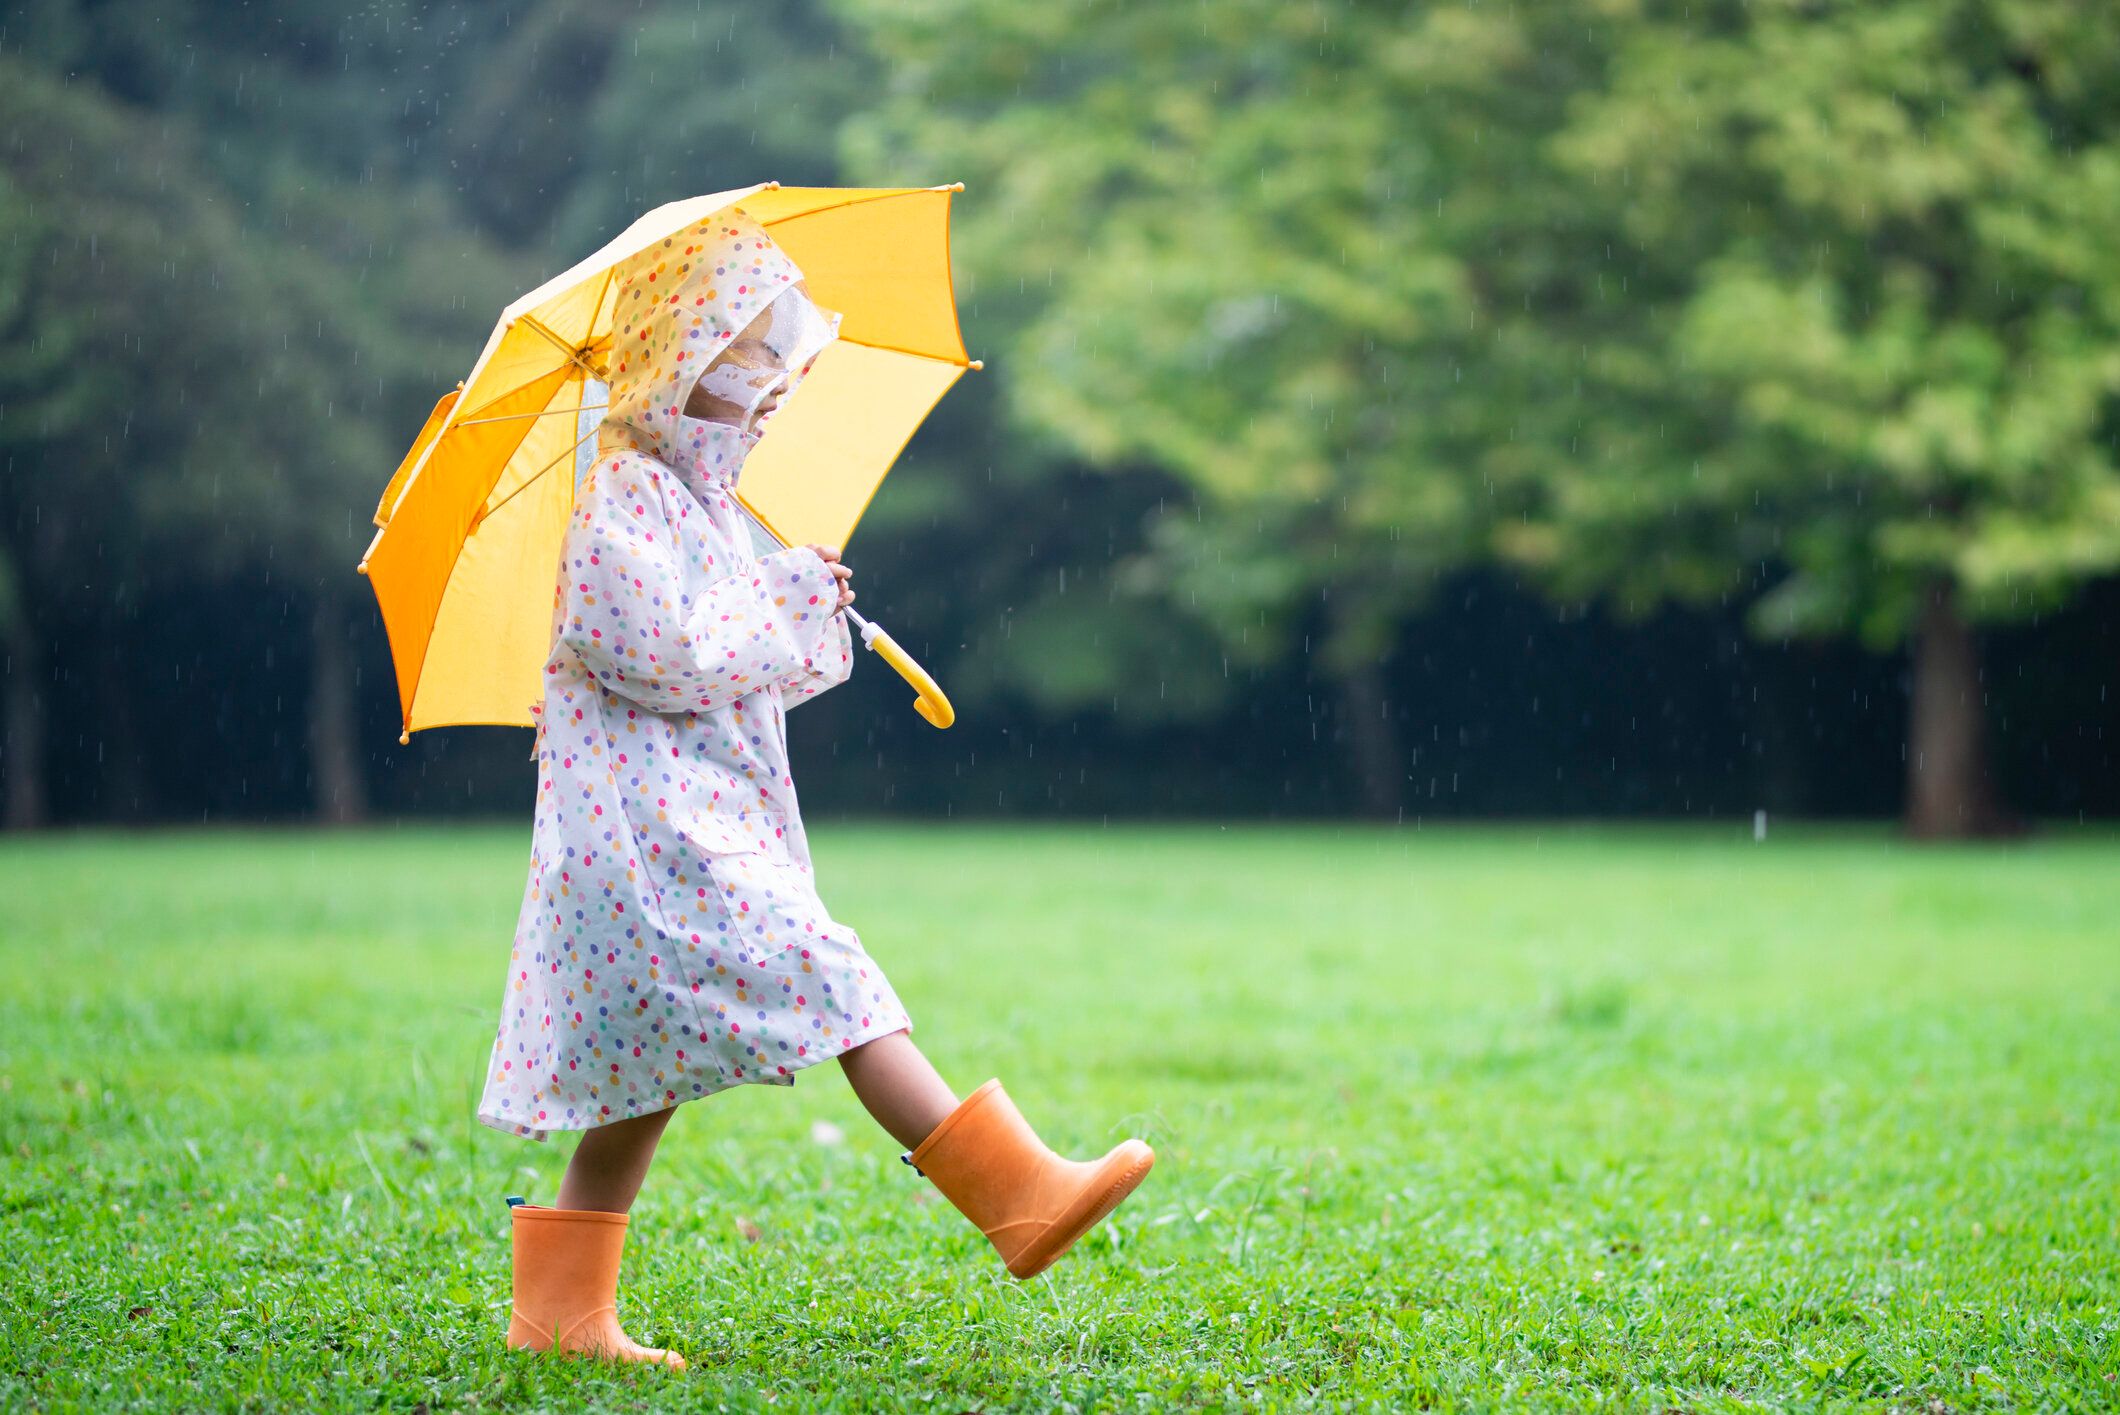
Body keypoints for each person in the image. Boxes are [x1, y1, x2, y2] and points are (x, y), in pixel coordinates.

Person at [479, 206, 1154, 1371]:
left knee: (644, 1080)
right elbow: (666, 653)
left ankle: (557, 1313)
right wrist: (774, 600)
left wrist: (799, 603)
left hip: (696, 825)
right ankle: (1019, 1197)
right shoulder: (623, 498)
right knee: (834, 977)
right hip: (652, 840)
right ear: (675, 371)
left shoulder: (706, 509)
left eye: (777, 372)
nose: (768, 396)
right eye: (745, 372)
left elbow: (743, 668)